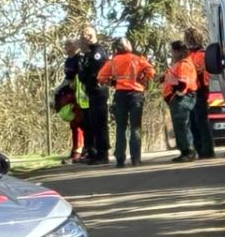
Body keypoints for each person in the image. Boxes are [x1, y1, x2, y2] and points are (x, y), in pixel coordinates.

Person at [97, 37, 155, 168]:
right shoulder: (137, 59)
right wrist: (142, 78)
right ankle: (136, 159)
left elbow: (101, 77)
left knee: (121, 127)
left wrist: (113, 82)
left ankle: (120, 159)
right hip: (136, 95)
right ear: (128, 46)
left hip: (120, 95)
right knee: (135, 127)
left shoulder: (113, 61)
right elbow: (151, 71)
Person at [78, 26, 111, 165]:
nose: (81, 41)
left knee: (99, 123)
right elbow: (83, 71)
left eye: (83, 38)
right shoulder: (88, 53)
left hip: (98, 90)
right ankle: (94, 151)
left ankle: (103, 153)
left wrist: (86, 76)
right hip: (90, 91)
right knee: (91, 123)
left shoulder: (98, 52)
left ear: (90, 37)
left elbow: (96, 72)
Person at [163, 40, 199, 162]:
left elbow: (182, 84)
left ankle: (188, 151)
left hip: (181, 98)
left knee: (182, 125)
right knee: (180, 126)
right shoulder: (179, 64)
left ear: (178, 51)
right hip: (178, 98)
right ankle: (184, 151)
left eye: (172, 51)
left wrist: (177, 94)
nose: (172, 54)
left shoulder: (183, 64)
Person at [184, 27, 216, 159]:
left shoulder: (201, 55)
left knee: (200, 121)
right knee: (193, 121)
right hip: (191, 92)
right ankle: (200, 149)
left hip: (199, 91)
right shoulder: (189, 56)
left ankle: (207, 150)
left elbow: (204, 75)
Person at [56, 39, 87, 163]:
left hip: (79, 95)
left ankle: (79, 150)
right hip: (69, 93)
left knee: (79, 123)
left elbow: (78, 77)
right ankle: (75, 149)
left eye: (69, 45)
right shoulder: (68, 60)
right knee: (73, 123)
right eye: (65, 45)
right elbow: (67, 77)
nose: (66, 47)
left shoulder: (79, 59)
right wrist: (59, 89)